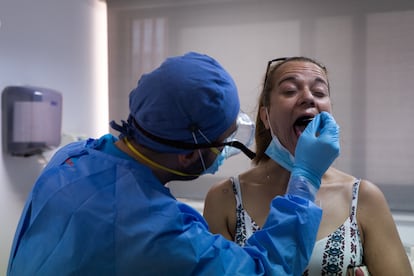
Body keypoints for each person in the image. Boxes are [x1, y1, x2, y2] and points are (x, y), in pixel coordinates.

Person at [7, 52, 340, 275]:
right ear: (187, 154)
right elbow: (264, 270)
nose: (308, 98)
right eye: (223, 140)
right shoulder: (160, 232)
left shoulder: (71, 157)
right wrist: (305, 180)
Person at [203, 56, 413, 275]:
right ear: (266, 117)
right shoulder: (225, 197)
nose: (308, 98)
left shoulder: (363, 197)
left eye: (320, 92)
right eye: (290, 90)